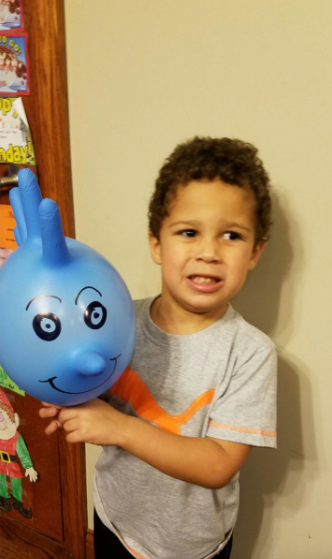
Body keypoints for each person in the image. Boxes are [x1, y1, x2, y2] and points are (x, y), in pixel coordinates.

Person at [40, 137, 277, 559]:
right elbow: (101, 396)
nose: (208, 252)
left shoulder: (250, 352)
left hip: (191, 547)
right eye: (188, 232)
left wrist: (118, 428)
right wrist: (70, 399)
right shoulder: (116, 319)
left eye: (231, 235)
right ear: (156, 244)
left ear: (255, 251)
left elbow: (219, 464)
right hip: (114, 518)